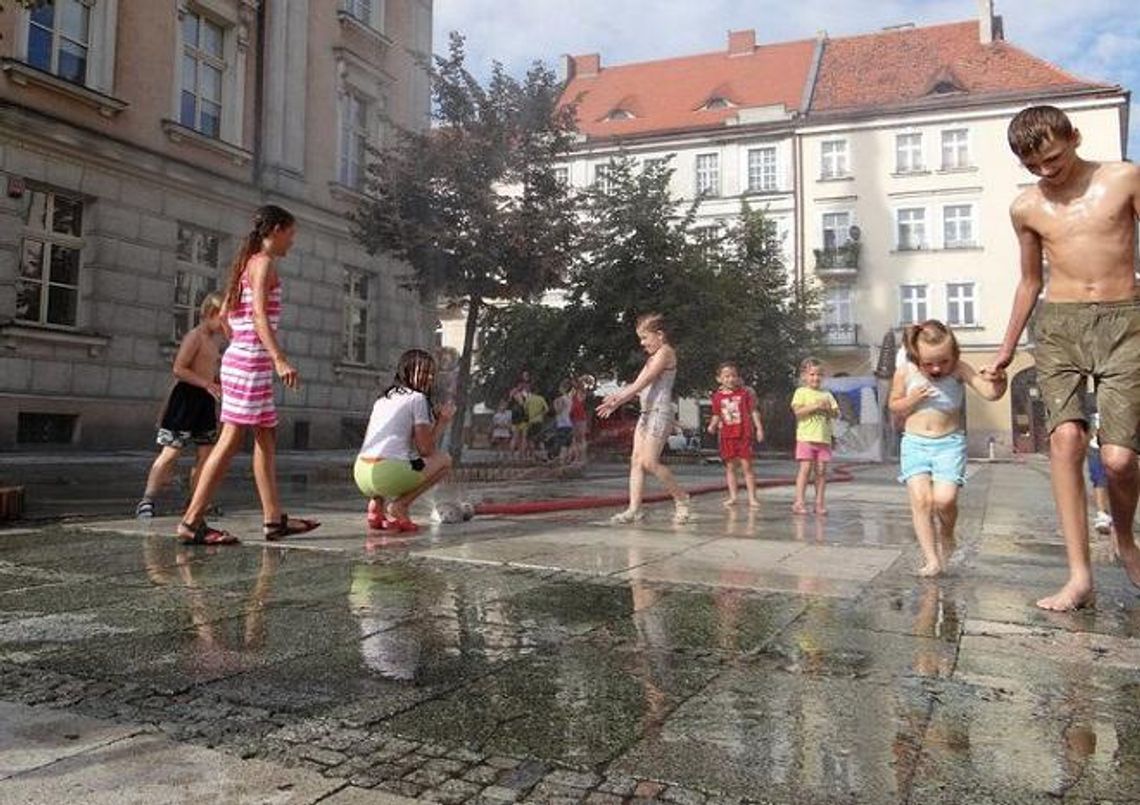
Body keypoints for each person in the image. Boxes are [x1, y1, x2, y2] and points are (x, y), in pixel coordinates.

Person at [984, 105, 1140, 610]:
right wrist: (1006, 350)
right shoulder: (1027, 208)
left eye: (1052, 158)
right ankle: (1079, 576)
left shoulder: (1123, 179)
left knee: (1119, 460)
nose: (1047, 171)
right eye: (1034, 166)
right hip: (1059, 325)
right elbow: (1031, 281)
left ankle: (1123, 537)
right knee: (1067, 439)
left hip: (1125, 321)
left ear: (1074, 136)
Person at [176, 205, 319, 545]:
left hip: (245, 359)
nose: (293, 241)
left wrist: (239, 342)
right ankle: (191, 521)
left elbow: (226, 313)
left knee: (266, 439)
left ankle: (273, 519)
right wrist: (279, 358)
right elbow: (258, 316)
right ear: (277, 229)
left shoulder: (247, 263)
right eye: (291, 233)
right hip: (252, 363)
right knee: (228, 442)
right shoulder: (264, 264)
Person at [889, 321, 1007, 577]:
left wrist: (1000, 379)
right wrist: (912, 399)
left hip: (949, 444)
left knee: (944, 500)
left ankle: (948, 533)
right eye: (928, 363)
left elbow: (990, 394)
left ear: (954, 355)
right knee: (922, 501)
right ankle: (932, 560)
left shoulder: (959, 370)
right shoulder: (906, 372)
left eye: (943, 361)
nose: (936, 369)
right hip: (914, 443)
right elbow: (894, 405)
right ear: (915, 355)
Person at [136, 292, 226, 518]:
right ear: (211, 314)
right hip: (185, 400)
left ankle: (197, 501)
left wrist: (217, 386)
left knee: (206, 454)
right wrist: (207, 383)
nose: (227, 322)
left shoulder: (214, 342)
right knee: (171, 452)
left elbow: (211, 372)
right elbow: (179, 368)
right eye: (224, 316)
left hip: (204, 401)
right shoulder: (194, 336)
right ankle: (147, 500)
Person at [597, 313, 691, 524]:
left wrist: (620, 398)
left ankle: (681, 498)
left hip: (660, 413)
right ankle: (634, 509)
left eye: (644, 337)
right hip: (646, 414)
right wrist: (617, 399)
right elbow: (637, 385)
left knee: (649, 461)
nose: (642, 343)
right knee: (636, 462)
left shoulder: (666, 353)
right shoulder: (651, 359)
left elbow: (645, 382)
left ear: (659, 335)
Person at [354, 349, 454, 533]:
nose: (430, 378)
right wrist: (442, 422)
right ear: (407, 371)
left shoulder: (383, 399)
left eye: (432, 373)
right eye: (424, 373)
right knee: (444, 461)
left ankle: (376, 506)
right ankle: (400, 505)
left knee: (408, 460)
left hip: (361, 473)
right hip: (386, 473)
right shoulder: (417, 398)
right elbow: (426, 450)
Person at [707, 362, 764, 508]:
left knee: (747, 467)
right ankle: (733, 496)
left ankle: (752, 497)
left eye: (733, 376)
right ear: (719, 379)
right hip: (727, 436)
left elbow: (753, 411)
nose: (730, 379)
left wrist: (759, 428)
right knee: (730, 467)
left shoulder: (744, 394)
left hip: (744, 435)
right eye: (726, 376)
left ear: (738, 378)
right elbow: (716, 414)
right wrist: (712, 425)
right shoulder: (717, 397)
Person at [791, 358, 839, 515]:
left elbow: (836, 413)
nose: (815, 378)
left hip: (823, 439)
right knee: (805, 469)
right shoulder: (801, 392)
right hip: (806, 438)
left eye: (819, 375)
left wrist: (828, 409)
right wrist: (815, 406)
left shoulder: (827, 395)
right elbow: (798, 412)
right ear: (804, 376)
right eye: (812, 374)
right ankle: (799, 501)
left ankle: (819, 503)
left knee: (821, 471)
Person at [1086, 411, 1113, 537]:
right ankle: (1102, 514)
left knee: (1117, 477)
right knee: (1099, 479)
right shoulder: (1088, 397)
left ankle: (1115, 514)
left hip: (1114, 442)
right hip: (1095, 445)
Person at [523, 387, 549, 461]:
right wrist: (541, 414)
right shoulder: (541, 399)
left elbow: (525, 410)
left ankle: (533, 456)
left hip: (531, 421)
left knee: (530, 439)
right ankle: (544, 455)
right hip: (539, 421)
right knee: (540, 439)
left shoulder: (529, 399)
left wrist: (530, 414)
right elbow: (547, 409)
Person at [552, 380, 575, 463]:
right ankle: (569, 460)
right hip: (571, 423)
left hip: (563, 424)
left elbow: (558, 410)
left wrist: (555, 404)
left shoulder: (561, 399)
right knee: (569, 443)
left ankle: (562, 461)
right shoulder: (572, 399)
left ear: (563, 388)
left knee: (563, 444)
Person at [568, 377, 589, 464]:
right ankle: (577, 457)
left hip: (579, 417)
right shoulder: (574, 393)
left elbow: (579, 400)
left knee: (579, 438)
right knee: (576, 438)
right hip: (574, 417)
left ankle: (581, 457)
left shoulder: (580, 393)